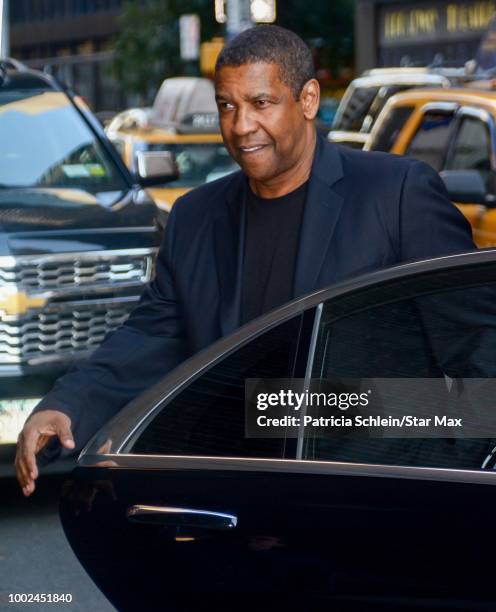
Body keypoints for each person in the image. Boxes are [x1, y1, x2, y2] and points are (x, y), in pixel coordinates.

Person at [15, 25, 476, 496]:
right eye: (227, 106)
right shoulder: (196, 217)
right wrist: (67, 403)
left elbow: (477, 349)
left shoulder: (395, 195)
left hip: (378, 496)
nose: (240, 126)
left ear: (308, 100)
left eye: (261, 103)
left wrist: (453, 477)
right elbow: (152, 335)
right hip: (239, 501)